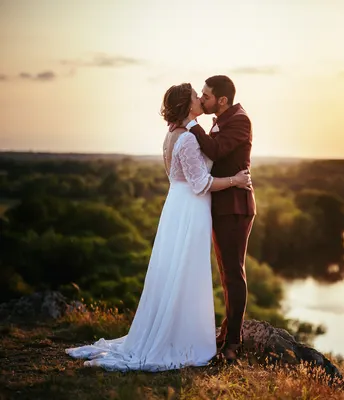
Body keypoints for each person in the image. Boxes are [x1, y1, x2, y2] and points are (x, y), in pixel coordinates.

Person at [65, 83, 252, 371]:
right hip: (191, 208)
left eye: (204, 95)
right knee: (186, 272)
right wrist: (235, 181)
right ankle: (182, 338)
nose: (201, 99)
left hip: (179, 206)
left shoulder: (172, 135)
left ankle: (192, 331)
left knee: (178, 270)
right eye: (196, 97)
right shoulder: (188, 138)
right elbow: (201, 183)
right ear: (188, 106)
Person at [180, 75, 256, 362]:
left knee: (234, 274)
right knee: (226, 274)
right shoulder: (223, 119)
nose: (202, 98)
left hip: (235, 207)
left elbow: (216, 150)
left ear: (222, 100)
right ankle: (226, 332)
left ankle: (233, 343)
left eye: (207, 95)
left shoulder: (239, 120)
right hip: (221, 205)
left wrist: (190, 125)